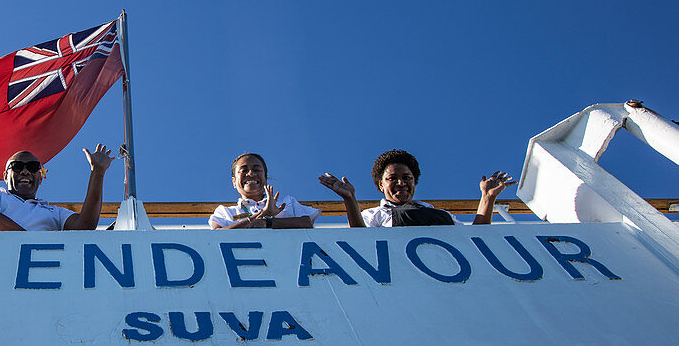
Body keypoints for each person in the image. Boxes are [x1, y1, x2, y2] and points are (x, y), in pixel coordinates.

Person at [319, 149, 515, 227]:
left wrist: (487, 198)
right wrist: (350, 199)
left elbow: (475, 239)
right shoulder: (375, 215)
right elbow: (361, 242)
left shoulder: (438, 213)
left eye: (407, 178)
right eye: (392, 178)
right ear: (381, 184)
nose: (401, 183)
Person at [0, 145, 114, 231]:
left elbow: (85, 226)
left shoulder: (54, 213)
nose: (25, 171)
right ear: (6, 176)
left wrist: (98, 172)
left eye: (32, 167)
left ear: (40, 178)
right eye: (17, 167)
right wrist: (32, 244)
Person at [210, 153, 320, 229]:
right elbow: (217, 234)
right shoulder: (225, 212)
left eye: (257, 169)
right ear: (234, 182)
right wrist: (261, 214)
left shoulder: (287, 203)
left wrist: (268, 222)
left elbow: (307, 222)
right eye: (244, 170)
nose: (251, 174)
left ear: (265, 178)